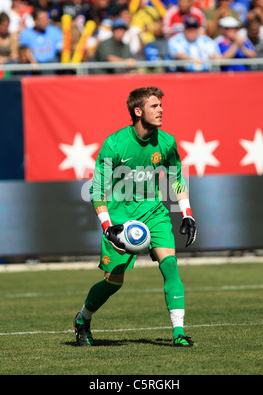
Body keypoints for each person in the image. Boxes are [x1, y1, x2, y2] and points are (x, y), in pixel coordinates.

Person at [73, 86, 197, 348]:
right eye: (155, 106)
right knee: (113, 282)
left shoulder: (167, 142)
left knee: (170, 266)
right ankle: (83, 319)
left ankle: (179, 333)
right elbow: (97, 189)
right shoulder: (115, 144)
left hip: (154, 213)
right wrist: (108, 227)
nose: (161, 109)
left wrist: (187, 214)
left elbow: (176, 179)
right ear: (138, 111)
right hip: (120, 220)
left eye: (161, 105)